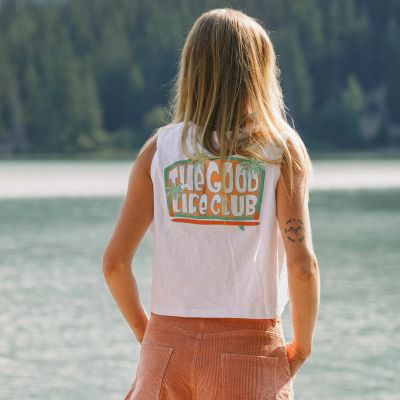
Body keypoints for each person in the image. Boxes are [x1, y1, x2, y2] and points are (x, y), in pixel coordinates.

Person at [103, 7, 320, 400]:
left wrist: (149, 336)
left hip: (166, 348)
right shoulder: (280, 151)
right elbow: (302, 267)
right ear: (259, 73)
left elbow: (115, 264)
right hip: (249, 349)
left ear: (192, 70)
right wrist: (303, 347)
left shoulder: (159, 150)